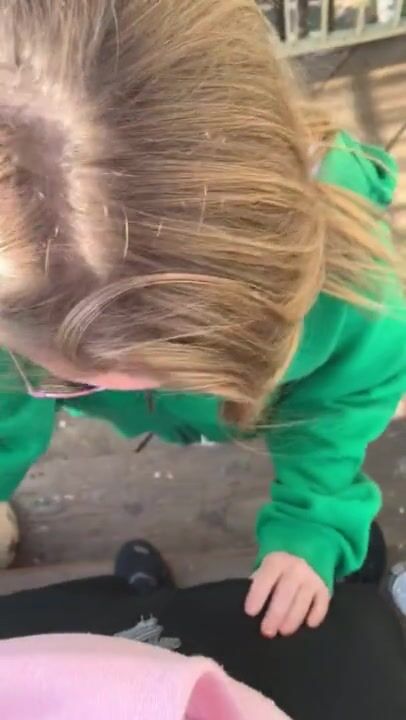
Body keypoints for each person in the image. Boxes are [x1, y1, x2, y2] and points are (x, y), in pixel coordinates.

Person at [0, 0, 404, 638]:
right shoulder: (16, 275)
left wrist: (314, 521)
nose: (122, 388)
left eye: (203, 366)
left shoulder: (361, 302)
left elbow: (339, 406)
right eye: (70, 380)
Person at [0, 541, 405, 720]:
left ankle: (143, 596)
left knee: (112, 616)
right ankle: (347, 587)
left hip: (32, 675)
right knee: (349, 635)